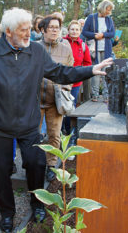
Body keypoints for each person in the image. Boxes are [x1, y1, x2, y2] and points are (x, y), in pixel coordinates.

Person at [0, 7, 113, 233]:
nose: (29, 34)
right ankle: (7, 213)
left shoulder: (35, 51)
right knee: (1, 170)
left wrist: (91, 70)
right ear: (8, 31)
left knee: (36, 164)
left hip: (29, 124)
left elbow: (60, 72)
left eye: (29, 29)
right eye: (23, 30)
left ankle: (37, 204)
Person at [38, 15, 74, 182]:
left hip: (55, 101)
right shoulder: (34, 48)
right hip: (34, 101)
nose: (54, 30)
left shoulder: (66, 50)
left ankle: (51, 166)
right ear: (43, 29)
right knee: (33, 135)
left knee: (54, 135)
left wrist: (64, 89)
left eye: (57, 27)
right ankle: (34, 164)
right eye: (51, 27)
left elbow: (69, 74)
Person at [82, 0, 115, 103]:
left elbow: (112, 33)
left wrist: (103, 35)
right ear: (103, 8)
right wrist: (95, 35)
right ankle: (95, 95)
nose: (109, 12)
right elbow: (84, 32)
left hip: (106, 49)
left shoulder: (109, 19)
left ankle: (106, 96)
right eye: (108, 10)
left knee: (106, 72)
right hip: (94, 49)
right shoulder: (91, 18)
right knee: (96, 72)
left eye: (110, 10)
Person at [62, 20, 92, 134]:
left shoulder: (83, 46)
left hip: (75, 82)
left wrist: (80, 73)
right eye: (72, 29)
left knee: (71, 105)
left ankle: (69, 130)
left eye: (77, 29)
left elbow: (88, 63)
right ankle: (59, 130)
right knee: (59, 104)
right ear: (68, 30)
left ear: (80, 31)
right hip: (62, 80)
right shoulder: (62, 42)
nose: (74, 32)